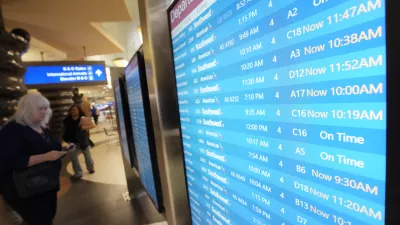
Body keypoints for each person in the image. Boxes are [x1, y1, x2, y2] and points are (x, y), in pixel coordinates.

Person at [0, 93, 67, 225]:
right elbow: (11, 160)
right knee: (40, 219)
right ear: (27, 109)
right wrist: (45, 157)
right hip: (25, 189)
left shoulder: (42, 127)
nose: (44, 112)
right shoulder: (13, 130)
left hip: (46, 184)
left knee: (48, 215)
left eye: (45, 108)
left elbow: (50, 146)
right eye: (40, 108)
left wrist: (63, 149)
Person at [63, 105, 96, 181]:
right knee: (73, 158)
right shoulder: (67, 120)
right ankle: (78, 173)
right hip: (72, 142)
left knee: (87, 156)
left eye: (74, 110)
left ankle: (90, 168)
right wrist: (65, 139)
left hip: (83, 140)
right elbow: (64, 130)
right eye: (71, 110)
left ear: (78, 110)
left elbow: (93, 125)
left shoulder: (83, 118)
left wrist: (83, 127)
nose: (72, 111)